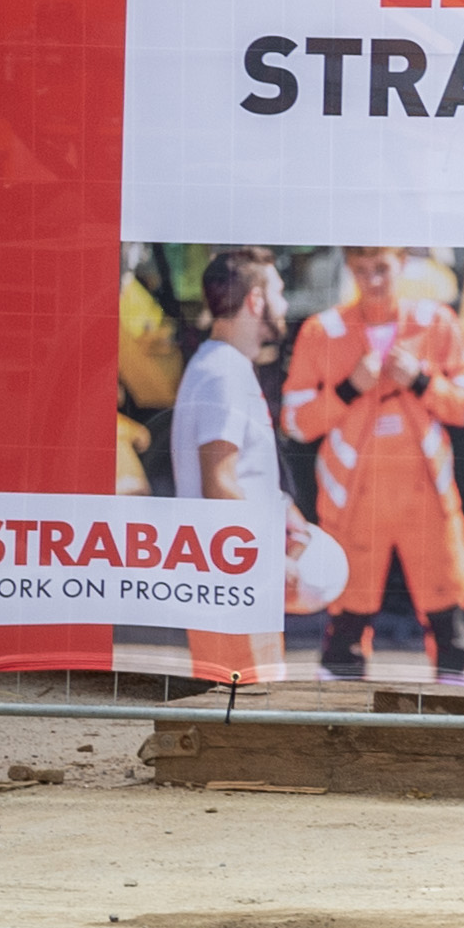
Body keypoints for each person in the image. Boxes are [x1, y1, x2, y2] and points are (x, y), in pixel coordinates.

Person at [281, 242, 464, 681]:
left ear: (401, 265)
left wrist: (422, 380)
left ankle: (458, 719)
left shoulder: (437, 323)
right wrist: (349, 389)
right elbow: (296, 422)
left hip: (425, 493)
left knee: (449, 610)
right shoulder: (322, 331)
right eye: (361, 270)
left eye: (382, 268)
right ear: (349, 269)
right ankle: (338, 719)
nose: (372, 280)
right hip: (354, 498)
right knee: (348, 617)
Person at [172, 249, 289, 686]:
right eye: (279, 292)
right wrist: (269, 552)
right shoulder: (224, 372)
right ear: (256, 301)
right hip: (236, 582)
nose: (287, 305)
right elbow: (220, 483)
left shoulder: (221, 366)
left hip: (232, 579)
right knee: (256, 710)